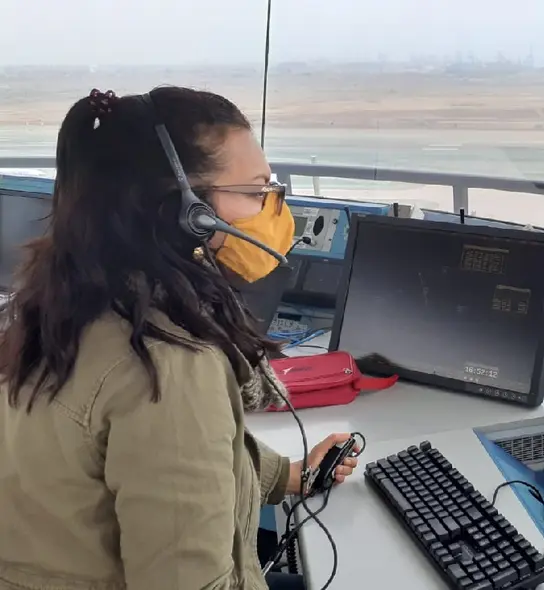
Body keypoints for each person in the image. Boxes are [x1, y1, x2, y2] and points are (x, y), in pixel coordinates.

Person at [0, 87, 354, 590]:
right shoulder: (167, 361)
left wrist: (288, 475)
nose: (275, 211)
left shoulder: (65, 302)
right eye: (257, 192)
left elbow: (164, 452)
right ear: (186, 212)